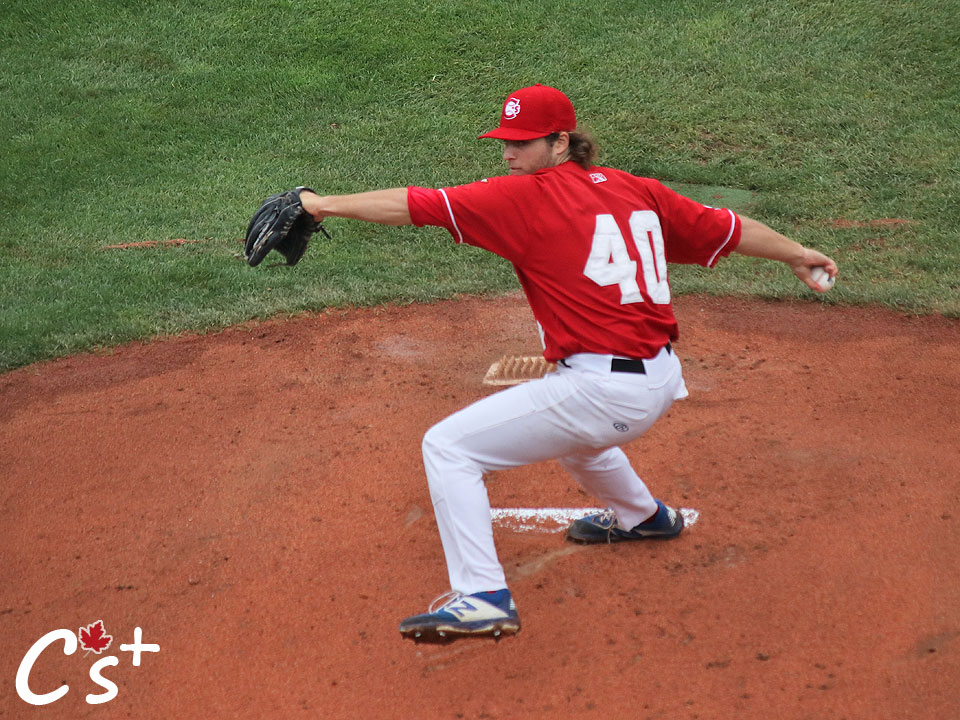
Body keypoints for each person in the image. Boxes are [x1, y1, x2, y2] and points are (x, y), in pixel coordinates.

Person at [297, 83, 838, 642]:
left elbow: (416, 204)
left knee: (448, 447)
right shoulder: (638, 189)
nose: (508, 154)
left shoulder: (525, 198)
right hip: (656, 378)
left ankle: (481, 596)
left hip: (605, 391)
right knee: (574, 432)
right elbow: (728, 227)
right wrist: (798, 253)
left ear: (561, 142)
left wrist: (319, 205)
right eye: (503, 141)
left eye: (522, 143)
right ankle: (643, 517)